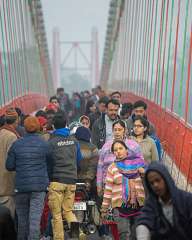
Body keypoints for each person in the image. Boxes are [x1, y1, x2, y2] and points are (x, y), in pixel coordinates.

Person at [6, 116, 49, 240]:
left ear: (24, 127)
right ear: (38, 127)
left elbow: (9, 166)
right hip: (38, 188)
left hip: (21, 188)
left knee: (23, 222)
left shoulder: (16, 144)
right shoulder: (44, 144)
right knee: (35, 221)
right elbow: (50, 163)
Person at [47, 113, 82, 240]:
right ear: (66, 124)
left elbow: (48, 162)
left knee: (56, 215)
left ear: (53, 126)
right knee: (68, 211)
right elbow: (79, 159)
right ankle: (77, 235)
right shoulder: (74, 141)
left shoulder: (51, 142)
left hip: (57, 181)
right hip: (71, 180)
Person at [101, 140, 146, 240]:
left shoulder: (138, 164)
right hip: (120, 207)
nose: (118, 151)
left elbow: (150, 181)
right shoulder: (112, 168)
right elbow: (108, 190)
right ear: (113, 153)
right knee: (124, 235)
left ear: (126, 150)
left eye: (121, 148)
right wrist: (104, 209)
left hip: (138, 206)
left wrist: (144, 173)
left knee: (139, 235)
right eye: (115, 150)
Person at [136, 162, 192, 240]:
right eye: (151, 183)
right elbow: (144, 221)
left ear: (166, 178)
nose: (155, 185)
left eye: (158, 180)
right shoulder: (151, 203)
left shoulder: (186, 199)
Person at [97, 120, 144, 197]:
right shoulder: (106, 146)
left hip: (129, 184)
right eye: (115, 130)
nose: (117, 132)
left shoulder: (133, 146)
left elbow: (141, 163)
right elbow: (100, 166)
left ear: (125, 130)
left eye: (120, 130)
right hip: (109, 184)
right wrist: (99, 185)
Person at [0, 108, 19, 217]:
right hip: (7, 186)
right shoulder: (12, 136)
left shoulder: (1, 132)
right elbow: (12, 161)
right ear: (17, 120)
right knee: (7, 219)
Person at [75, 126, 98, 193]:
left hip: (72, 179)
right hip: (87, 181)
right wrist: (88, 180)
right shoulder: (94, 148)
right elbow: (93, 166)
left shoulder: (72, 146)